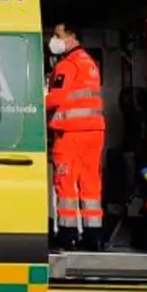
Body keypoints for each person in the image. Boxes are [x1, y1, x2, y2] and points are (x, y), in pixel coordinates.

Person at [46, 22, 106, 251]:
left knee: (66, 184)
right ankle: (93, 236)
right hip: (94, 132)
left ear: (71, 37)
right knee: (91, 184)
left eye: (57, 35)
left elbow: (55, 99)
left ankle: (68, 234)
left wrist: (30, 105)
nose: (54, 39)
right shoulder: (89, 63)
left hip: (71, 133)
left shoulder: (68, 65)